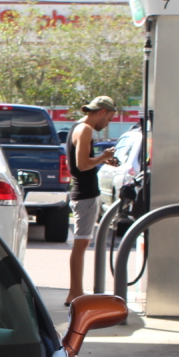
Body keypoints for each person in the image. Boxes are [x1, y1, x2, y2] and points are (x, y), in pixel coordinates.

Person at [65, 96, 118, 306]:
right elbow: (83, 164)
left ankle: (76, 291)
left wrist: (103, 159)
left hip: (84, 192)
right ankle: (74, 293)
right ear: (102, 112)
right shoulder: (85, 129)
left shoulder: (78, 128)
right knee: (81, 242)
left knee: (83, 241)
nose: (108, 123)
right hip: (84, 193)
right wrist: (102, 157)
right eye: (110, 118)